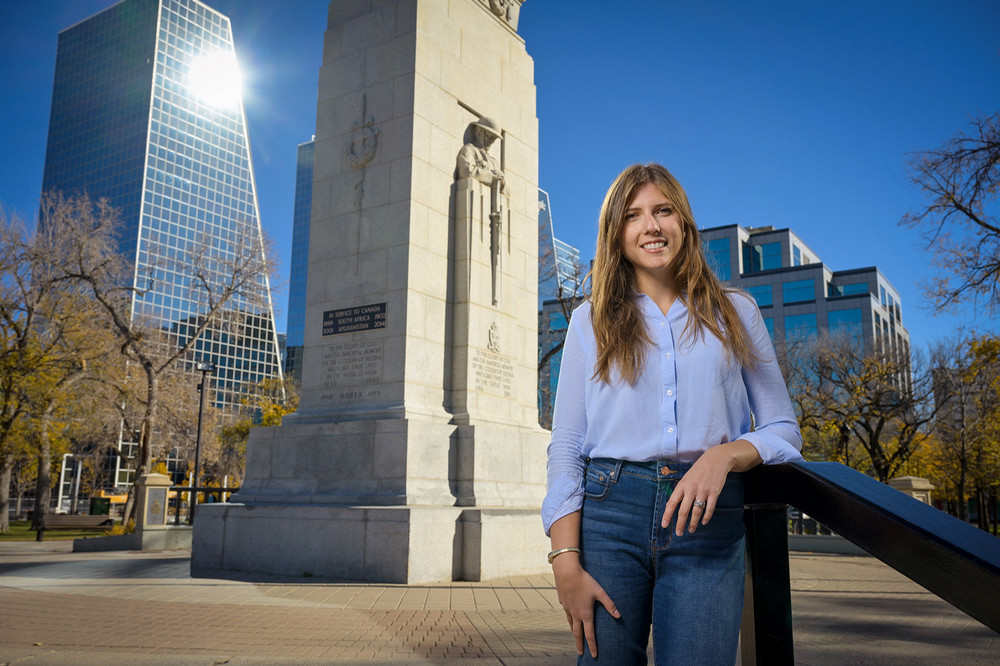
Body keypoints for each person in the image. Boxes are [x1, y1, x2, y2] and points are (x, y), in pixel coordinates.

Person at [541, 163, 803, 665]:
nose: (651, 226)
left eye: (663, 211)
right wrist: (565, 561)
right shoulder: (588, 321)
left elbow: (783, 430)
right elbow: (568, 445)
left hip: (707, 519)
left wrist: (726, 455)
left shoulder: (736, 312)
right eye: (634, 216)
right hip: (609, 514)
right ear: (616, 234)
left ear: (684, 222)